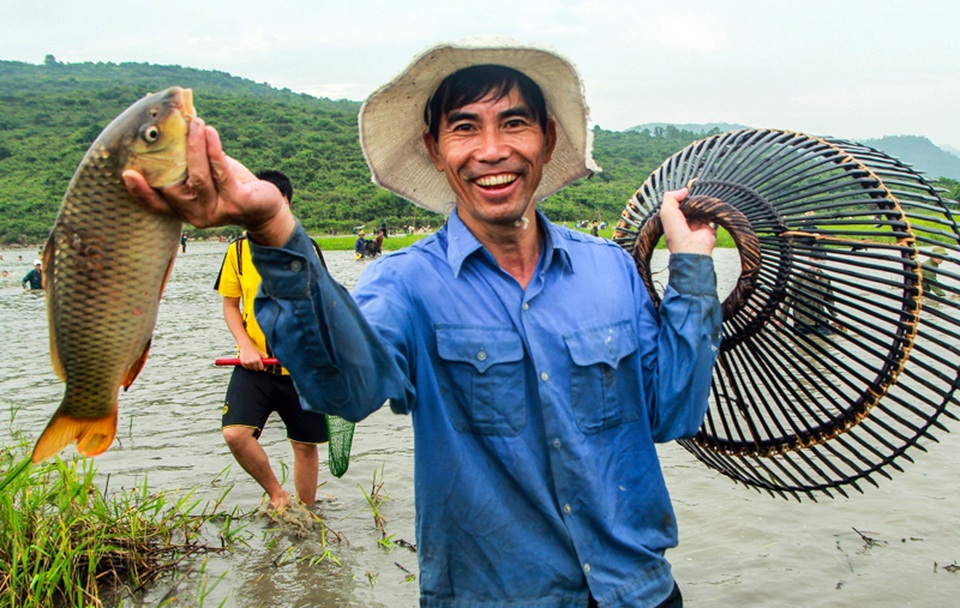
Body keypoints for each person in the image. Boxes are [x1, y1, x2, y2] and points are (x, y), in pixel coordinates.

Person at [124, 38, 721, 608]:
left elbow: (672, 410)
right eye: (465, 127)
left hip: (640, 590)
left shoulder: (610, 270)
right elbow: (346, 393)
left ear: (548, 138)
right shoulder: (404, 283)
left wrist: (692, 264)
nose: (492, 149)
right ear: (436, 150)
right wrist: (276, 231)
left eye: (514, 123)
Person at [213, 169, 330, 512]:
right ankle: (277, 494)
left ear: (286, 204)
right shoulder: (236, 252)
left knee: (305, 445)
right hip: (254, 366)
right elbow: (230, 306)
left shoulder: (305, 248)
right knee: (235, 434)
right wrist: (246, 345)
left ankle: (306, 515)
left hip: (300, 368)